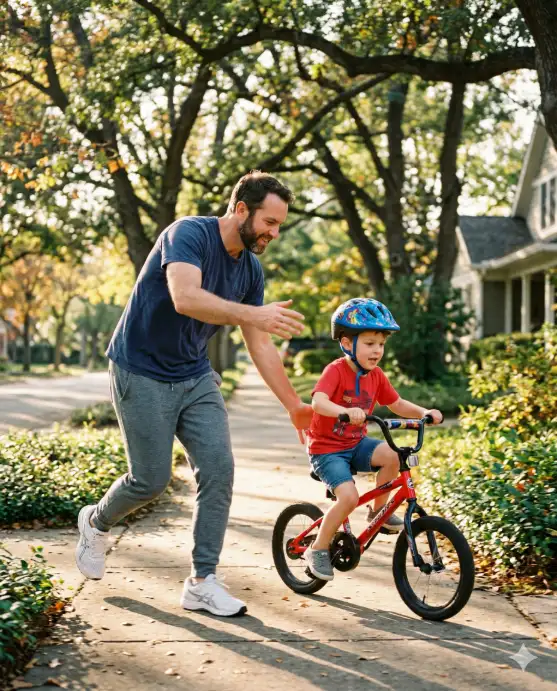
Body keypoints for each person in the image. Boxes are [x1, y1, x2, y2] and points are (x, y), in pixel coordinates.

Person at [75, 171, 313, 617]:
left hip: (194, 374)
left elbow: (258, 342)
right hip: (140, 369)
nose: (274, 233)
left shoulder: (250, 270)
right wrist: (252, 314)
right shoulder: (187, 233)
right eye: (270, 221)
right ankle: (97, 520)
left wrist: (294, 404)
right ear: (241, 209)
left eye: (280, 225)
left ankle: (203, 581)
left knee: (219, 470)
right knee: (150, 480)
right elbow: (185, 297)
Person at [304, 297, 443, 582]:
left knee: (394, 456)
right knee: (349, 497)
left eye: (381, 344)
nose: (377, 350)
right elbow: (318, 402)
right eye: (369, 343)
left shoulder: (376, 375)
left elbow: (397, 403)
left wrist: (424, 412)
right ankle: (317, 548)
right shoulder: (336, 371)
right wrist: (344, 411)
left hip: (355, 444)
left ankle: (377, 514)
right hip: (327, 451)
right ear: (346, 343)